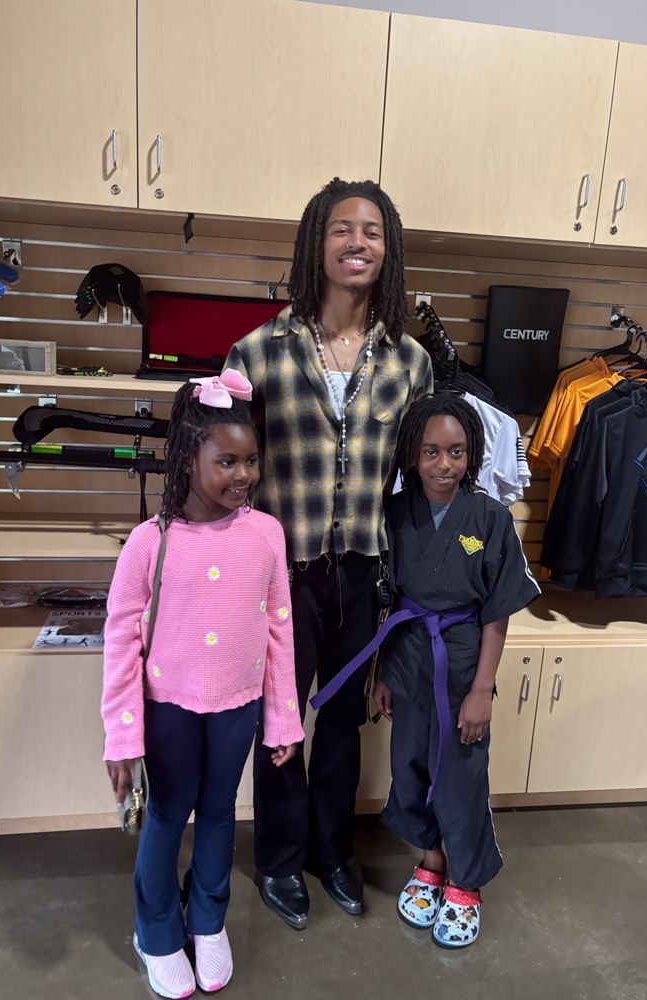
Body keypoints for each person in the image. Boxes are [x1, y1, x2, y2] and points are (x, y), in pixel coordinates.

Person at [225, 178, 432, 930]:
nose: (357, 242)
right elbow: (228, 476)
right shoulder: (257, 353)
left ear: (388, 249)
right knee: (280, 722)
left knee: (343, 721)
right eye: (342, 228)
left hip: (363, 573)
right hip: (282, 575)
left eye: (372, 231)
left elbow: (414, 483)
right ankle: (280, 859)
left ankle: (332, 851)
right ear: (317, 240)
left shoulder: (410, 362)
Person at [101, 369, 304, 999]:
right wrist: (122, 737)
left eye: (251, 461)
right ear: (188, 460)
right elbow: (121, 641)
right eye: (227, 462)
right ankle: (157, 932)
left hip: (238, 708)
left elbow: (279, 629)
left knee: (219, 814)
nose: (243, 476)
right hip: (168, 711)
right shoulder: (150, 542)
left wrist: (284, 718)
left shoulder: (267, 535)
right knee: (167, 817)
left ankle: (208, 923)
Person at [371, 393, 541, 947]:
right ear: (412, 455)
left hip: (464, 662)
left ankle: (466, 882)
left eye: (456, 452)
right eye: (431, 452)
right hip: (409, 656)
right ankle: (431, 860)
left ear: (473, 454)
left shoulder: (489, 518)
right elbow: (391, 599)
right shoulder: (396, 513)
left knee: (460, 777)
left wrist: (483, 690)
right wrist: (385, 673)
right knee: (410, 767)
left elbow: (498, 610)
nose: (444, 464)